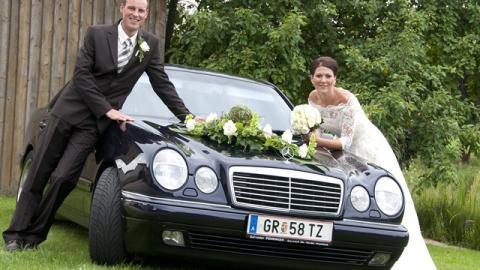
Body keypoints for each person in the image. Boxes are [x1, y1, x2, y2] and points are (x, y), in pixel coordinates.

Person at [3, 0, 197, 251]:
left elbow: (162, 84)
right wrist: (108, 109)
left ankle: (33, 236)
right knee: (40, 171)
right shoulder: (96, 34)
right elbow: (81, 76)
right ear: (122, 8)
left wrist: (187, 117)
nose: (135, 14)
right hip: (67, 113)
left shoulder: (149, 45)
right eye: (132, 8)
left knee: (64, 178)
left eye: (141, 10)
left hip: (93, 125)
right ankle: (15, 235)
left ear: (146, 14)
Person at [306, 56, 436, 270]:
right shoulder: (312, 98)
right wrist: (313, 142)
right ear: (311, 78)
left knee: (377, 195)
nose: (323, 80)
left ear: (335, 78)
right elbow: (316, 129)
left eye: (328, 76)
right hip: (333, 149)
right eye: (318, 75)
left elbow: (345, 141)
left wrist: (314, 140)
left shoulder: (347, 101)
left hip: (364, 147)